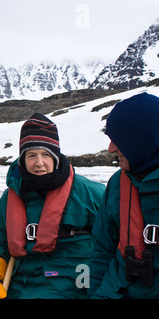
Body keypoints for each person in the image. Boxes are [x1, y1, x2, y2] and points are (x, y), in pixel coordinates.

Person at [0, 113, 105, 299]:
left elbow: (113, 242)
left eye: (46, 154)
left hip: (68, 284)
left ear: (56, 157)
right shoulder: (11, 196)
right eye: (31, 155)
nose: (39, 163)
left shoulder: (90, 193)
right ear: (22, 159)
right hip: (21, 280)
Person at [89, 92, 159, 299]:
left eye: (119, 140)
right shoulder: (118, 184)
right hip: (116, 291)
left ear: (144, 139)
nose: (111, 149)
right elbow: (101, 252)